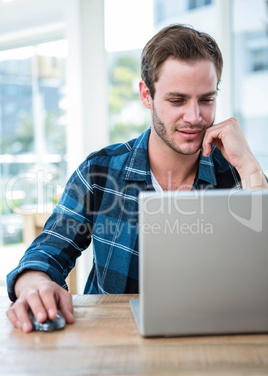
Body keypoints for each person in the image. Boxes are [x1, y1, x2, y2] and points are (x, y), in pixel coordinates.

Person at [6, 24, 268, 332]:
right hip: (115, 349)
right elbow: (49, 249)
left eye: (206, 99)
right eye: (177, 100)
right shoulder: (100, 172)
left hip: (214, 346)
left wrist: (251, 168)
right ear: (147, 94)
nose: (195, 117)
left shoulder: (237, 174)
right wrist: (35, 284)